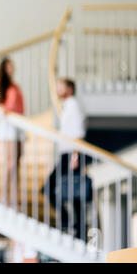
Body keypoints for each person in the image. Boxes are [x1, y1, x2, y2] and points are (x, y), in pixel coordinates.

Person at [42, 78, 92, 240]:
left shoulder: (74, 106)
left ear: (69, 89)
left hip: (72, 154)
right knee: (73, 194)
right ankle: (76, 228)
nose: (57, 89)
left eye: (60, 86)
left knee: (58, 189)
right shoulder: (68, 106)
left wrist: (75, 156)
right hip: (67, 154)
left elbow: (78, 133)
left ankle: (71, 224)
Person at [0, 57, 25, 206]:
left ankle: (14, 197)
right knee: (9, 163)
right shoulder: (1, 86)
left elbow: (20, 107)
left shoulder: (15, 86)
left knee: (16, 163)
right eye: (9, 66)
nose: (12, 69)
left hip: (17, 127)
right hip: (7, 127)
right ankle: (3, 195)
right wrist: (3, 109)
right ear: (4, 69)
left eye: (12, 66)